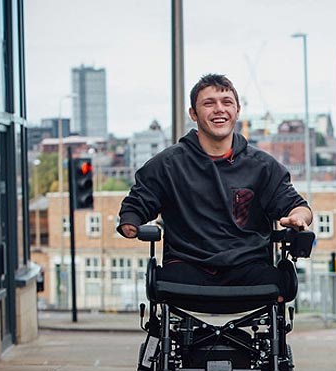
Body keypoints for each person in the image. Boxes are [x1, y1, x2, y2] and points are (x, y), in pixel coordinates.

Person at [117, 73, 312, 299]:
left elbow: (298, 207)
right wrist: (130, 222)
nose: (219, 109)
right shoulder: (169, 164)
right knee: (166, 280)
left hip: (248, 267)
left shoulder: (263, 166)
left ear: (237, 111)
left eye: (227, 102)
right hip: (186, 266)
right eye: (209, 103)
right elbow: (139, 201)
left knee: (279, 281)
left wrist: (299, 217)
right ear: (193, 113)